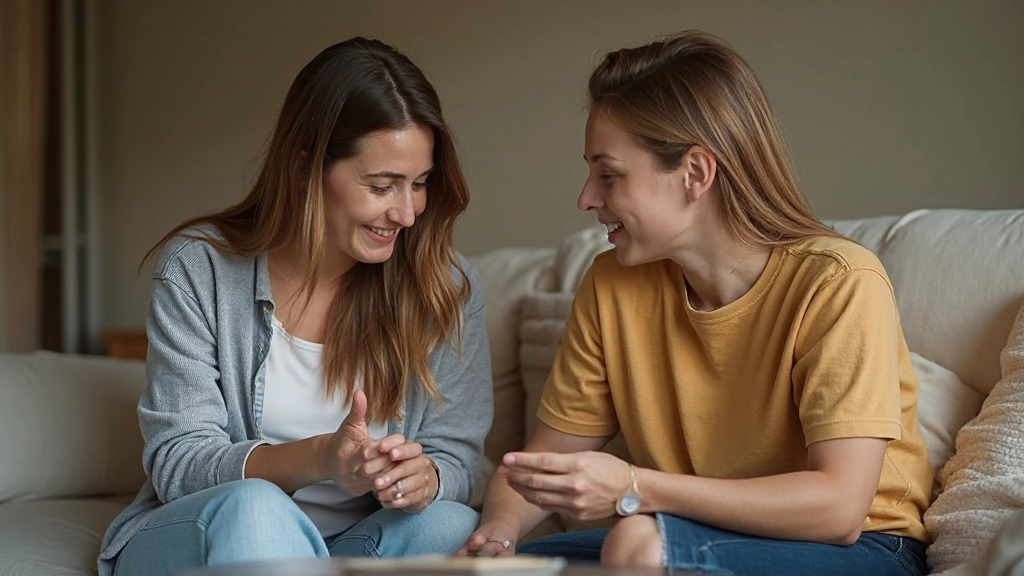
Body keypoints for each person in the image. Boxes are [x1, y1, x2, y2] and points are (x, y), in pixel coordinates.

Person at [461, 30, 932, 575]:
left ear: (695, 174)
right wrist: (495, 537)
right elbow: (540, 468)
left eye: (609, 175)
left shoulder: (838, 283)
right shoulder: (611, 284)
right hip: (685, 535)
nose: (586, 198)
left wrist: (636, 488)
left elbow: (839, 509)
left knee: (636, 545)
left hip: (862, 549)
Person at [98, 37, 492, 576]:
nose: (406, 213)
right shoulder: (200, 269)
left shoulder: (443, 286)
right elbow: (180, 463)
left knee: (448, 522)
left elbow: (457, 456)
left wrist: (428, 478)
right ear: (305, 167)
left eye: (419, 184)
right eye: (381, 186)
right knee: (260, 508)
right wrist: (321, 459)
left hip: (357, 543)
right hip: (216, 532)